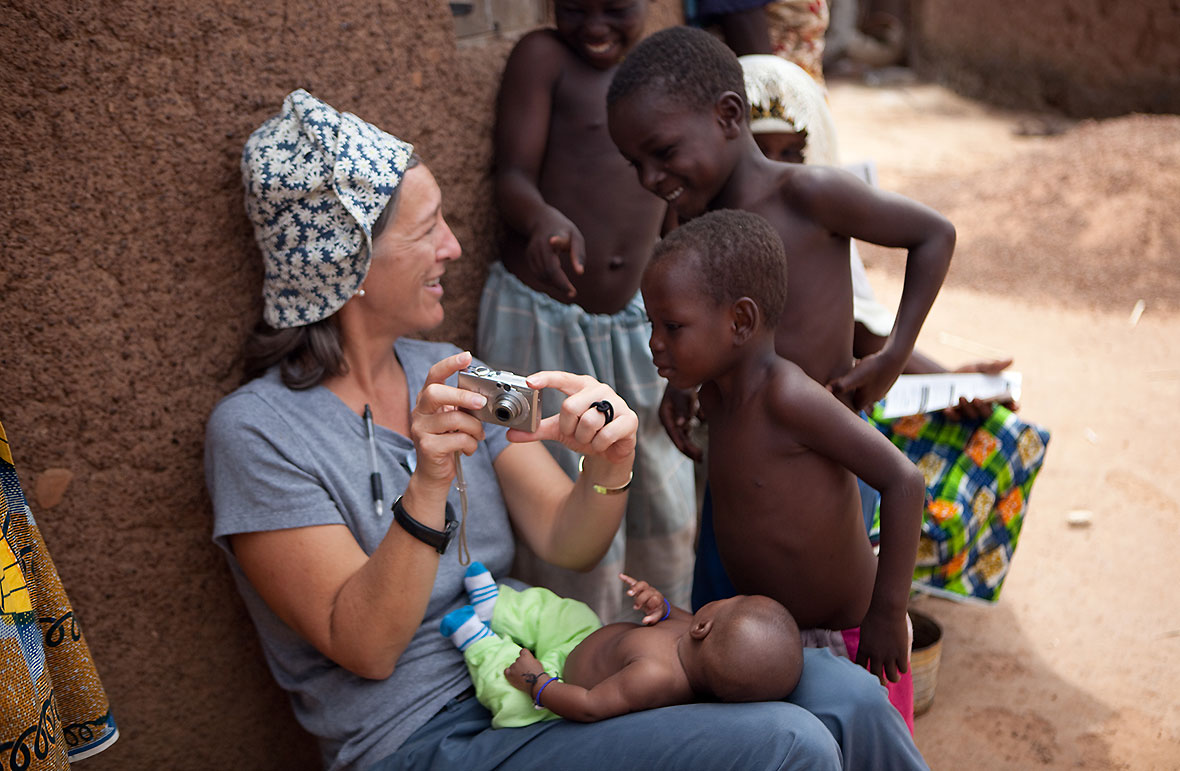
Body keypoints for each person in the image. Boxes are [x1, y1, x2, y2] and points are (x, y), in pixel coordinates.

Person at [205, 89, 924, 771]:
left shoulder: (446, 372)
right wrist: (427, 484)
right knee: (789, 743)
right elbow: (366, 646)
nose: (455, 248)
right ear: (349, 259)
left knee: (849, 698)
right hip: (434, 733)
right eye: (428, 230)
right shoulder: (258, 434)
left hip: (557, 664)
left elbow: (567, 540)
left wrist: (608, 464)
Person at [738, 53, 1052, 603]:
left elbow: (867, 334)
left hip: (824, 450)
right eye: (761, 154)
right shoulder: (713, 239)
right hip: (744, 462)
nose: (778, 170)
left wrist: (953, 384)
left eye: (793, 153)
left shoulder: (818, 217)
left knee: (828, 589)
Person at [641, 209, 925, 729]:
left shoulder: (789, 398)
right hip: (771, 645)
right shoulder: (714, 397)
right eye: (651, 324)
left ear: (740, 322)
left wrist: (886, 614)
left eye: (673, 326)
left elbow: (904, 480)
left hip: (853, 638)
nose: (655, 343)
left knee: (869, 754)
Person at [479, 0, 696, 623]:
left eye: (615, 9)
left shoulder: (668, 68)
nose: (593, 27)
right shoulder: (543, 60)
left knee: (657, 487)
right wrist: (542, 217)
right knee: (555, 482)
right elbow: (511, 175)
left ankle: (663, 643)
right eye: (573, 9)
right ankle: (578, 655)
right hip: (541, 323)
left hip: (635, 327)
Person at [607, 25, 955, 422]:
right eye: (636, 164)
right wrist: (680, 384)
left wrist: (894, 355)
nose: (649, 179)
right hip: (741, 454)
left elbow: (934, 235)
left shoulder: (807, 194)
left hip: (828, 460)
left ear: (728, 115)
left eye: (664, 152)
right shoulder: (692, 228)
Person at [440, 563, 802, 726]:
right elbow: (672, 620)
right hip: (580, 639)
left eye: (731, 600)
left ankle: (480, 644)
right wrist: (659, 607)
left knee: (513, 703)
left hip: (560, 685)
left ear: (705, 626)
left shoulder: (655, 676)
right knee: (568, 612)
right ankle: (499, 607)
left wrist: (538, 683)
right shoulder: (699, 639)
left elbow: (589, 706)